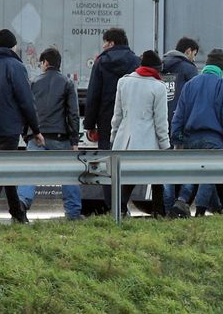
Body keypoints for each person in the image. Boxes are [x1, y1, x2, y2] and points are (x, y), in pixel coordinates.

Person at [0, 29, 43, 225]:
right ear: (13, 46)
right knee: (2, 169)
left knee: (5, 167)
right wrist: (35, 130)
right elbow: (26, 101)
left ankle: (18, 213)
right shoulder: (16, 67)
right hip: (9, 127)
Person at [169, 48, 223, 218]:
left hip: (190, 138)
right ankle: (199, 210)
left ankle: (187, 201)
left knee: (194, 171)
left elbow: (179, 114)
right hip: (214, 138)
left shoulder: (190, 84)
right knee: (210, 173)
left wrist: (177, 137)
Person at [17, 47, 84, 220]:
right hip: (60, 137)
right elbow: (73, 114)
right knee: (69, 174)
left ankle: (22, 202)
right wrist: (74, 140)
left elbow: (27, 110)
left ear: (46, 63)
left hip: (37, 136)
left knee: (30, 172)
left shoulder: (33, 82)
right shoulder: (68, 83)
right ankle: (73, 213)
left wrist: (27, 134)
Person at [83, 27, 139, 210]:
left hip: (107, 120)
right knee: (130, 162)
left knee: (108, 163)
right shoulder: (136, 62)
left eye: (104, 42)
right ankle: (122, 202)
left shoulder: (101, 62)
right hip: (131, 120)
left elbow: (93, 95)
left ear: (111, 43)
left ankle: (114, 206)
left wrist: (89, 124)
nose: (103, 45)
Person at [110, 50, 170, 216]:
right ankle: (159, 212)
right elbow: (160, 122)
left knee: (129, 178)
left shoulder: (124, 82)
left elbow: (117, 115)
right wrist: (165, 145)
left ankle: (119, 209)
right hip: (148, 141)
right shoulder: (158, 87)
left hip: (125, 140)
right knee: (157, 178)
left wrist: (114, 137)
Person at [161, 37, 200, 213]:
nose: (194, 58)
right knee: (188, 165)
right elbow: (196, 97)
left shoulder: (161, 66)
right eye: (194, 54)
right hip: (182, 124)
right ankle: (181, 201)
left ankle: (168, 207)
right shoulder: (189, 69)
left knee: (167, 168)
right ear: (188, 51)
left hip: (162, 124)